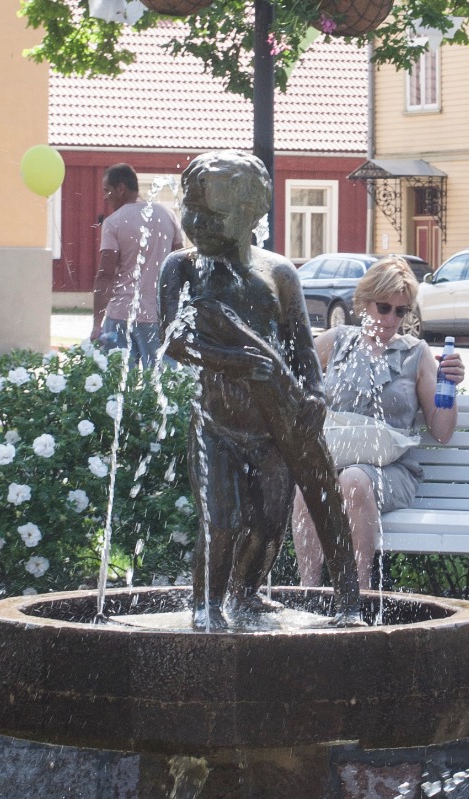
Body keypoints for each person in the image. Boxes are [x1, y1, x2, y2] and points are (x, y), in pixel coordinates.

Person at [160, 150, 360, 628]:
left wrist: (315, 393)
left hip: (274, 426)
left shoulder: (279, 273)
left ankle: (245, 595)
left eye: (212, 214)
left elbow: (301, 346)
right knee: (222, 523)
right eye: (191, 210)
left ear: (251, 214)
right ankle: (206, 607)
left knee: (269, 523)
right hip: (217, 423)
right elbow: (175, 340)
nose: (196, 223)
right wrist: (236, 362)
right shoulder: (183, 267)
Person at [290, 256, 463, 589]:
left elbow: (441, 432)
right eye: (384, 307)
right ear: (363, 303)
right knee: (308, 481)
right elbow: (292, 382)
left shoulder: (416, 353)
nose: (391, 319)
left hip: (392, 470)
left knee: (354, 479)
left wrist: (450, 386)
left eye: (401, 311)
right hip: (336, 460)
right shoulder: (337, 341)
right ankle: (307, 591)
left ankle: (360, 593)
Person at [92, 163, 184, 367]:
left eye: (107, 191)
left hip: (120, 316)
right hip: (158, 316)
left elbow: (105, 275)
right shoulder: (168, 215)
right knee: (165, 385)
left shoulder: (113, 222)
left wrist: (97, 324)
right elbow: (179, 265)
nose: (105, 197)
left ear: (121, 188)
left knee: (118, 387)